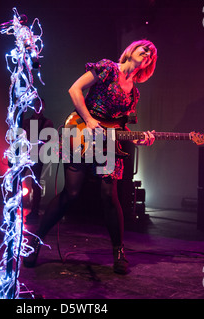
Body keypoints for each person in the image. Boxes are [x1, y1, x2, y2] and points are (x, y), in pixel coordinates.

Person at [23, 40, 157, 275]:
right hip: (80, 130)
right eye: (144, 48)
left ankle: (118, 252)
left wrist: (138, 138)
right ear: (131, 50)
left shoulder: (134, 93)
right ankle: (35, 243)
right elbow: (74, 90)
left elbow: (120, 127)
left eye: (151, 54)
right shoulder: (108, 67)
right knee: (71, 194)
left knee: (109, 195)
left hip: (107, 143)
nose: (147, 53)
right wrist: (88, 119)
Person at [22, 99, 54, 222]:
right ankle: (17, 205)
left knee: (35, 184)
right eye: (36, 104)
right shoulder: (26, 121)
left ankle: (34, 210)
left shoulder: (47, 122)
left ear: (44, 107)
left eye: (40, 105)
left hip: (37, 155)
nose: (38, 107)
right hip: (26, 154)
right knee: (19, 180)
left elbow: (49, 139)